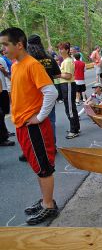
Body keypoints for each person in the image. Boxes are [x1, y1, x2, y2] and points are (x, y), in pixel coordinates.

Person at [0, 27, 59, 225]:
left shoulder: (32, 64)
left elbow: (51, 92)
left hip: (34, 126)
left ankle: (49, 206)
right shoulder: (16, 65)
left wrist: (40, 117)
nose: (3, 49)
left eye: (5, 44)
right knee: (37, 165)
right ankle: (45, 200)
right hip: (22, 124)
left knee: (44, 167)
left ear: (19, 44)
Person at [22, 34, 61, 162]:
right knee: (51, 122)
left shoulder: (28, 61)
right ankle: (52, 147)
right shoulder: (50, 58)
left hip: (32, 97)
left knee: (32, 124)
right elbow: (57, 75)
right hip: (49, 95)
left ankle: (35, 149)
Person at [58, 42, 80, 139]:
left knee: (70, 108)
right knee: (70, 107)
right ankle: (76, 127)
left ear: (67, 50)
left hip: (68, 85)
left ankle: (73, 130)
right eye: (59, 48)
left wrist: (57, 74)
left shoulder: (67, 61)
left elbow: (68, 76)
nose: (60, 50)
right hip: (66, 85)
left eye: (62, 49)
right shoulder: (65, 60)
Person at [0, 54, 14, 146]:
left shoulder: (1, 60)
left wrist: (3, 70)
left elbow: (6, 73)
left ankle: (4, 132)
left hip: (3, 89)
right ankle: (3, 138)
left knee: (3, 113)